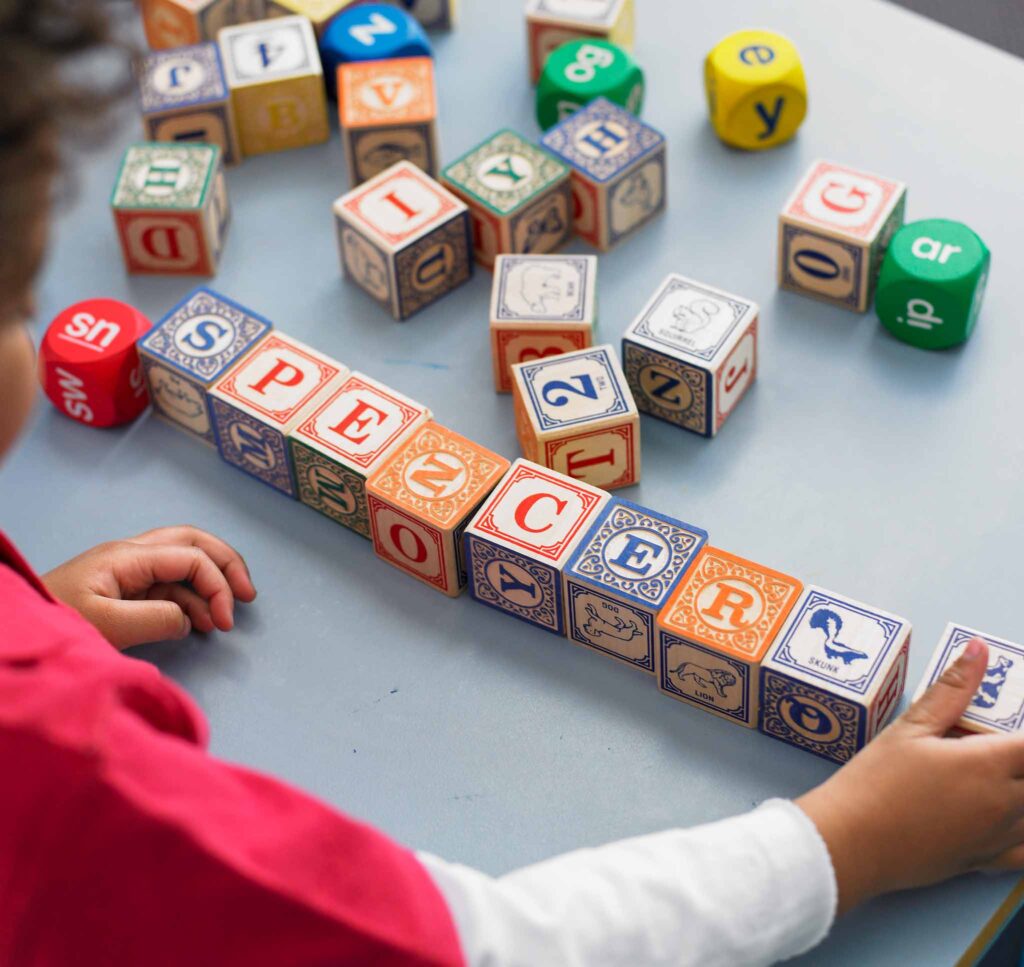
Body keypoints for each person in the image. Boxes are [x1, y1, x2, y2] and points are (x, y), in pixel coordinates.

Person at [3, 3, 1024, 965]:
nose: (28, 323)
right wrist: (850, 843)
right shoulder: (68, 778)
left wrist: (30, 615)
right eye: (19, 298)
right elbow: (473, 947)